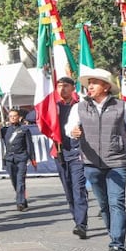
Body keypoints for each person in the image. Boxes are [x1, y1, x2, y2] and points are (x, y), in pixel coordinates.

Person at [64, 67, 126, 251]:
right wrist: (73, 131)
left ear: (106, 86)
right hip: (91, 163)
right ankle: (113, 234)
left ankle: (117, 246)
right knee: (104, 205)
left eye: (95, 82)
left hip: (117, 162)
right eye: (89, 83)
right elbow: (69, 128)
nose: (90, 86)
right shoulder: (79, 107)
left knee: (117, 203)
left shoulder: (122, 107)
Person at [54, 76, 88, 233]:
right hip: (60, 153)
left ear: (73, 88)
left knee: (78, 188)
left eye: (66, 86)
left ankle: (81, 224)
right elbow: (33, 117)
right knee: (68, 190)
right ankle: (77, 218)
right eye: (59, 86)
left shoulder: (81, 107)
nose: (62, 89)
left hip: (78, 153)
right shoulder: (53, 108)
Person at [1, 108, 37, 211]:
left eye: (14, 116)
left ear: (19, 117)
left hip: (21, 157)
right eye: (11, 116)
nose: (12, 118)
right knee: (14, 181)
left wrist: (32, 158)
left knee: (20, 180)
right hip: (9, 159)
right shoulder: (4, 130)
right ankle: (22, 199)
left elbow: (29, 145)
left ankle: (20, 203)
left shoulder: (24, 129)